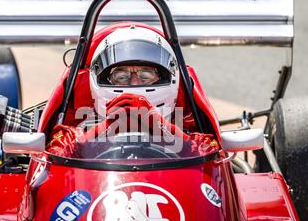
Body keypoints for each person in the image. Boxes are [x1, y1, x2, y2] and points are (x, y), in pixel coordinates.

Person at [47, 25, 219, 158]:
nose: (135, 83)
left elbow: (213, 156)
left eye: (146, 75)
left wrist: (161, 127)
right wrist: (104, 129)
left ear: (168, 77)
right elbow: (53, 156)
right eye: (121, 76)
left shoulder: (189, 132)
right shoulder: (74, 134)